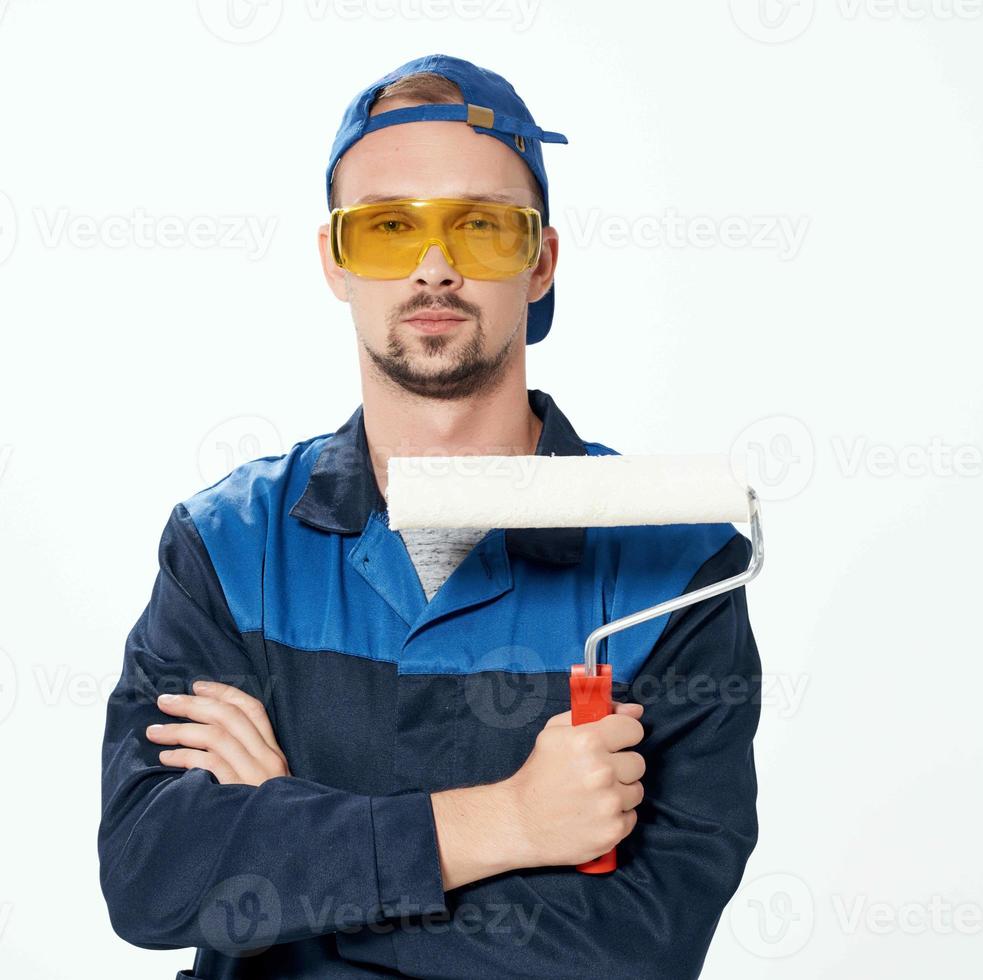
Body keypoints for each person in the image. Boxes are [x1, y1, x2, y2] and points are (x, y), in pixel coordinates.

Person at [97, 53, 762, 979]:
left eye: (482, 228)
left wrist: (290, 828)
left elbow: (632, 950)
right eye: (389, 228)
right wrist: (508, 823)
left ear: (541, 261)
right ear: (335, 259)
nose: (435, 266)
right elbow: (152, 874)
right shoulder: (229, 546)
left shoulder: (671, 565)